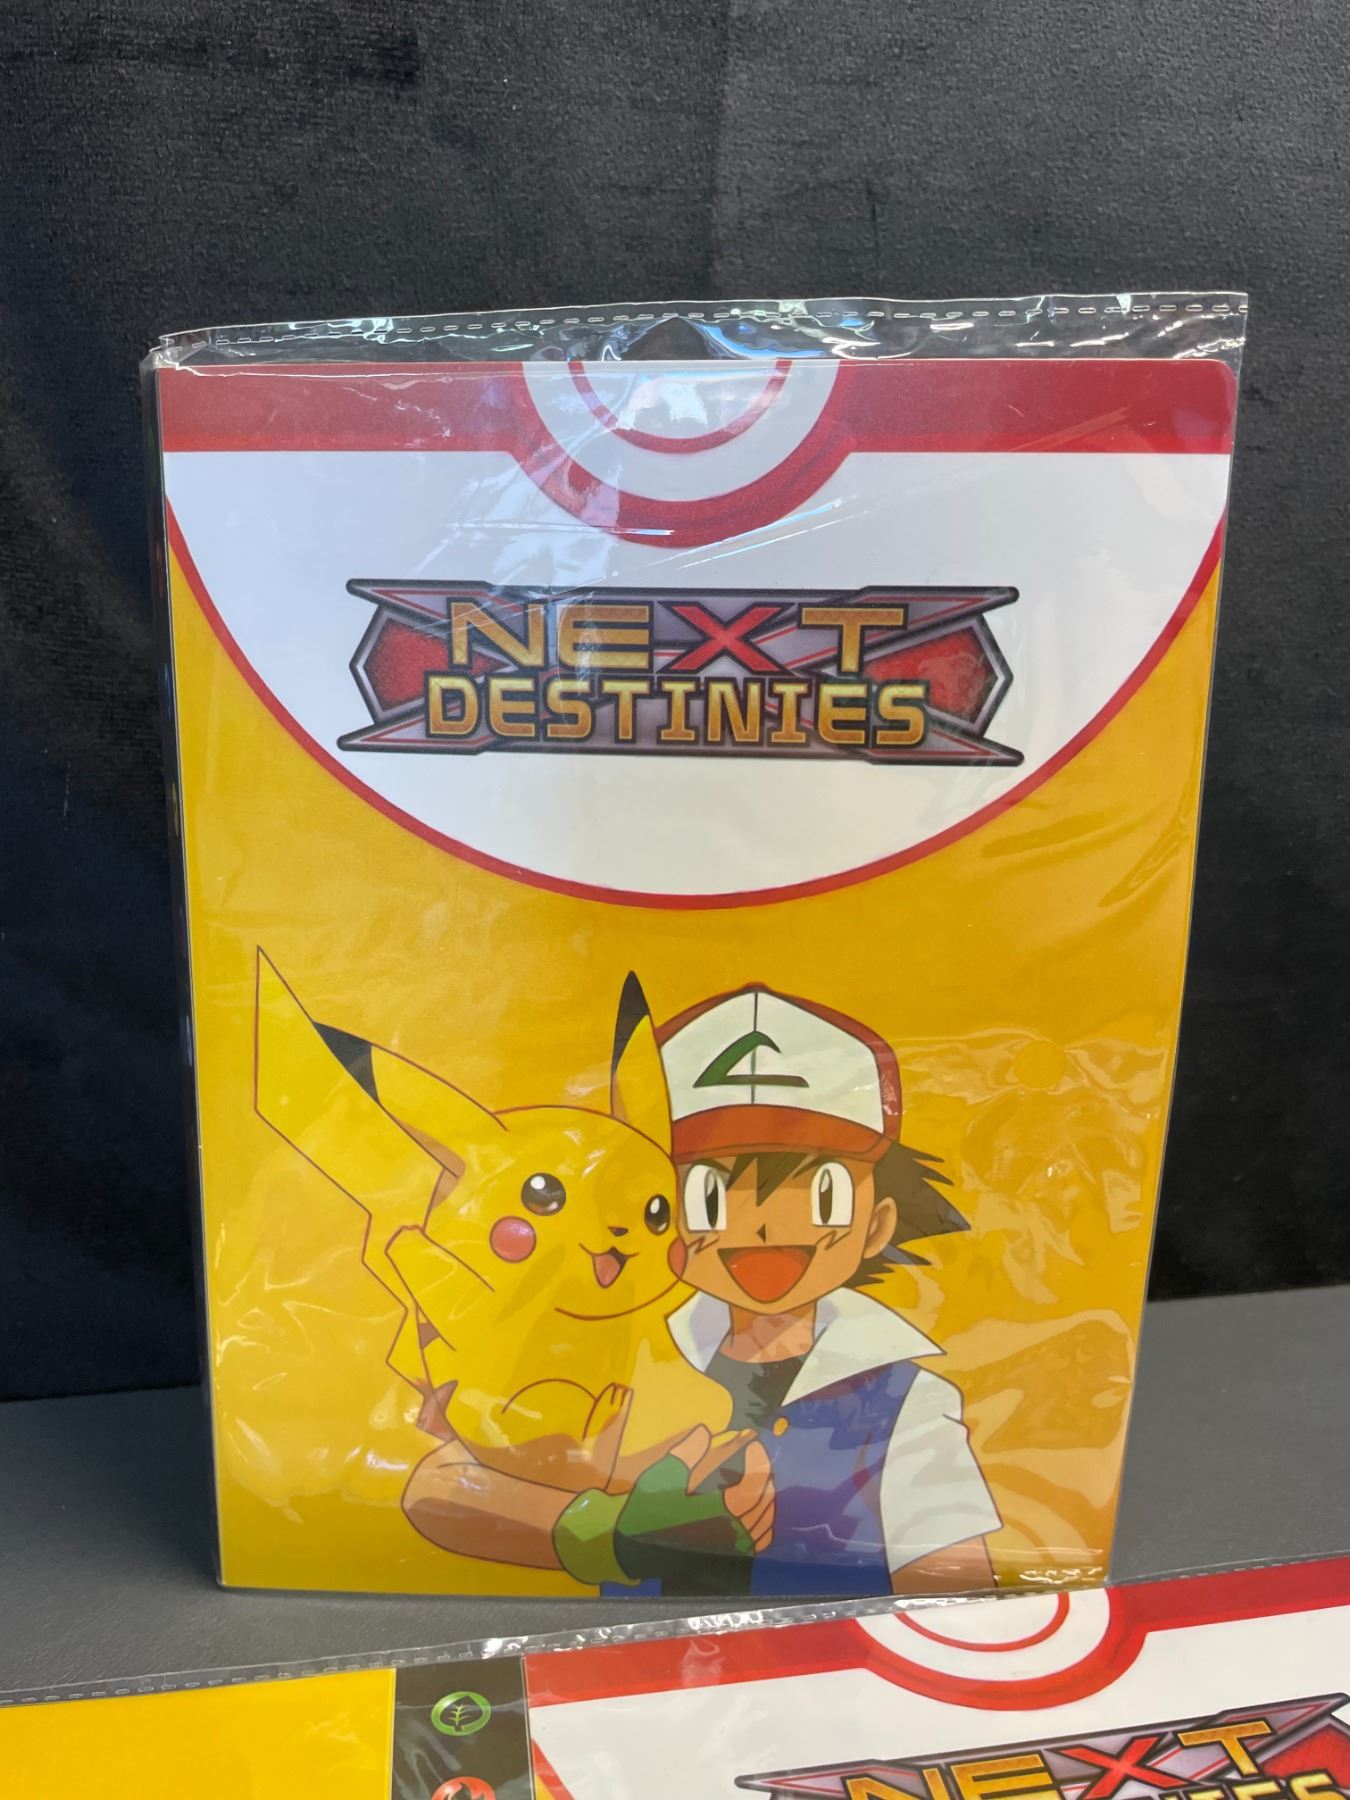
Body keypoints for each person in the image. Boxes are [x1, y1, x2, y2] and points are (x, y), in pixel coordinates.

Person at [657, 984, 1001, 1596]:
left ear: (878, 1224)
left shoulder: (910, 1402)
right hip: (632, 1646)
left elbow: (955, 1583)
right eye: (709, 1195)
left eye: (822, 1194)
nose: (764, 1226)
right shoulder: (639, 1364)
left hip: (839, 1645)